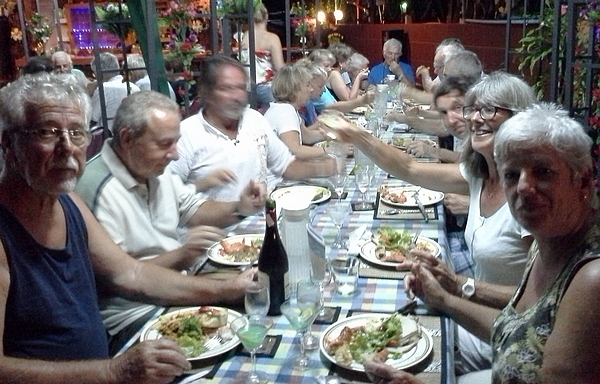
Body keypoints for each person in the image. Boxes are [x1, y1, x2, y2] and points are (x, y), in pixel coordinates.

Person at [0, 73, 253, 383]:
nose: (67, 147)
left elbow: (130, 273)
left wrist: (230, 289)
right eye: (47, 132)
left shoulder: (67, 203)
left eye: (77, 133)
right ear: (9, 143)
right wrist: (113, 371)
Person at [365, 103, 600, 384]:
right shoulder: (549, 237)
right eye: (512, 175)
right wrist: (446, 297)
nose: (524, 187)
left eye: (543, 172)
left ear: (583, 181)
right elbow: (515, 329)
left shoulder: (591, 280)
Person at [324, 71, 537, 376]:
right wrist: (356, 134)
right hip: (476, 317)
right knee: (381, 329)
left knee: (380, 351)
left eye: (489, 110)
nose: (475, 118)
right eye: (472, 109)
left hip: (506, 342)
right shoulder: (480, 176)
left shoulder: (528, 197)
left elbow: (540, 299)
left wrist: (457, 287)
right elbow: (409, 167)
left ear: (519, 119)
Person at [76, 90, 264, 352]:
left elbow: (193, 209)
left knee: (265, 303)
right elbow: (122, 279)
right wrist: (181, 256)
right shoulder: (94, 188)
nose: (175, 154)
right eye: (165, 144)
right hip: (133, 318)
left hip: (177, 290)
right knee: (248, 327)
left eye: (176, 142)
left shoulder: (153, 168)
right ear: (127, 139)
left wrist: (240, 207)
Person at [168, 55, 335, 201]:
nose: (236, 96)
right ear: (205, 92)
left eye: (241, 87)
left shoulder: (254, 119)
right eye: (226, 88)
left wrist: (327, 167)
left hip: (260, 219)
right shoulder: (186, 134)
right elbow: (166, 198)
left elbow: (286, 166)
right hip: (216, 231)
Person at [264, 65, 329, 160]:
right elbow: (294, 150)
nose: (311, 89)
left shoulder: (286, 108)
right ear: (294, 89)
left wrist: (333, 135)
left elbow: (306, 136)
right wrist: (331, 151)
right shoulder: (285, 112)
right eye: (307, 85)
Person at [239, 3, 285, 111]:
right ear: (267, 16)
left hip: (248, 87)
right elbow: (279, 68)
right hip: (268, 87)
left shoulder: (244, 36)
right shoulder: (272, 38)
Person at [90, 52, 140, 132]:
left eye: (95, 73)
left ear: (101, 74)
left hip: (108, 137)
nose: (95, 77)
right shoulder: (134, 87)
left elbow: (92, 117)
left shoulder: (104, 89)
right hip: (132, 134)